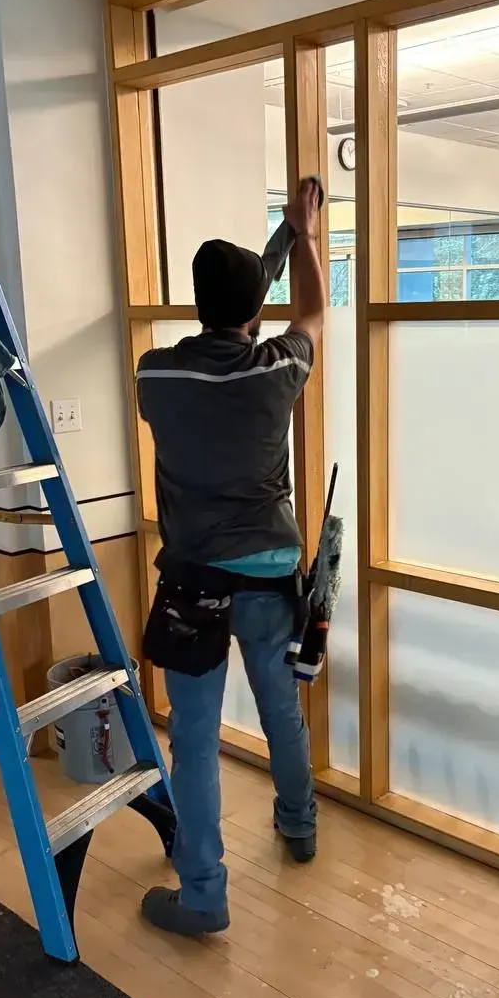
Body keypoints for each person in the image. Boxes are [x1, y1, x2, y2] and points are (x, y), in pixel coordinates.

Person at [135, 178, 326, 936]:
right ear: (255, 312)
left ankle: (205, 895)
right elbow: (311, 313)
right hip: (272, 577)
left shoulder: (158, 374)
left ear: (196, 299)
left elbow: (238, 319)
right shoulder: (274, 372)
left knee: (195, 743)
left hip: (195, 587)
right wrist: (302, 236)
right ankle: (299, 822)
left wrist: (266, 262)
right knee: (282, 712)